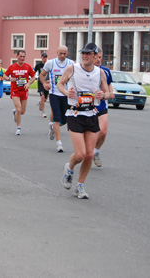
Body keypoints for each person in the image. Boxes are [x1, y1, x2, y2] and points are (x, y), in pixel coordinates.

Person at [58, 43, 108, 199]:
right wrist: (67, 92)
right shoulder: (72, 69)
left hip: (91, 114)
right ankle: (70, 168)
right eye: (83, 53)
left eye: (88, 54)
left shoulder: (100, 73)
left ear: (95, 56)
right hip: (75, 114)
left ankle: (80, 185)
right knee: (80, 154)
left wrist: (102, 95)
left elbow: (107, 92)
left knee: (89, 155)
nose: (85, 56)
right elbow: (60, 83)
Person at [40, 45, 74, 152]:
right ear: (57, 52)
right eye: (61, 53)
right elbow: (42, 75)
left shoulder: (71, 64)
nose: (62, 56)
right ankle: (59, 143)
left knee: (65, 119)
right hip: (54, 94)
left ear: (67, 53)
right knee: (56, 117)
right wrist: (45, 83)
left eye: (64, 54)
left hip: (66, 95)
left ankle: (53, 126)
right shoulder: (50, 63)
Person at [5, 50, 35, 136]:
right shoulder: (12, 67)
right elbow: (5, 75)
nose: (22, 58)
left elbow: (33, 77)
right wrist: (8, 79)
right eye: (20, 56)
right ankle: (18, 128)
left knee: (22, 111)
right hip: (15, 91)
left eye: (23, 56)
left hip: (24, 91)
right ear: (17, 56)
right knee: (19, 108)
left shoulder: (28, 67)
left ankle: (16, 113)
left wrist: (29, 83)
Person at [93, 48, 114, 167]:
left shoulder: (105, 71)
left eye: (100, 57)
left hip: (101, 105)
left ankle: (95, 151)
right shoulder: (84, 70)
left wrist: (110, 92)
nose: (98, 60)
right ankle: (87, 151)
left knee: (103, 131)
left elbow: (109, 84)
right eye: (96, 57)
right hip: (88, 105)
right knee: (89, 133)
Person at [35, 53, 49, 118]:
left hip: (47, 83)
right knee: (42, 97)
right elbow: (33, 72)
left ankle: (41, 103)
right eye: (43, 57)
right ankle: (43, 112)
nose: (44, 59)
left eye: (45, 57)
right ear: (41, 57)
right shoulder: (38, 65)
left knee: (45, 99)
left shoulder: (49, 65)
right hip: (41, 83)